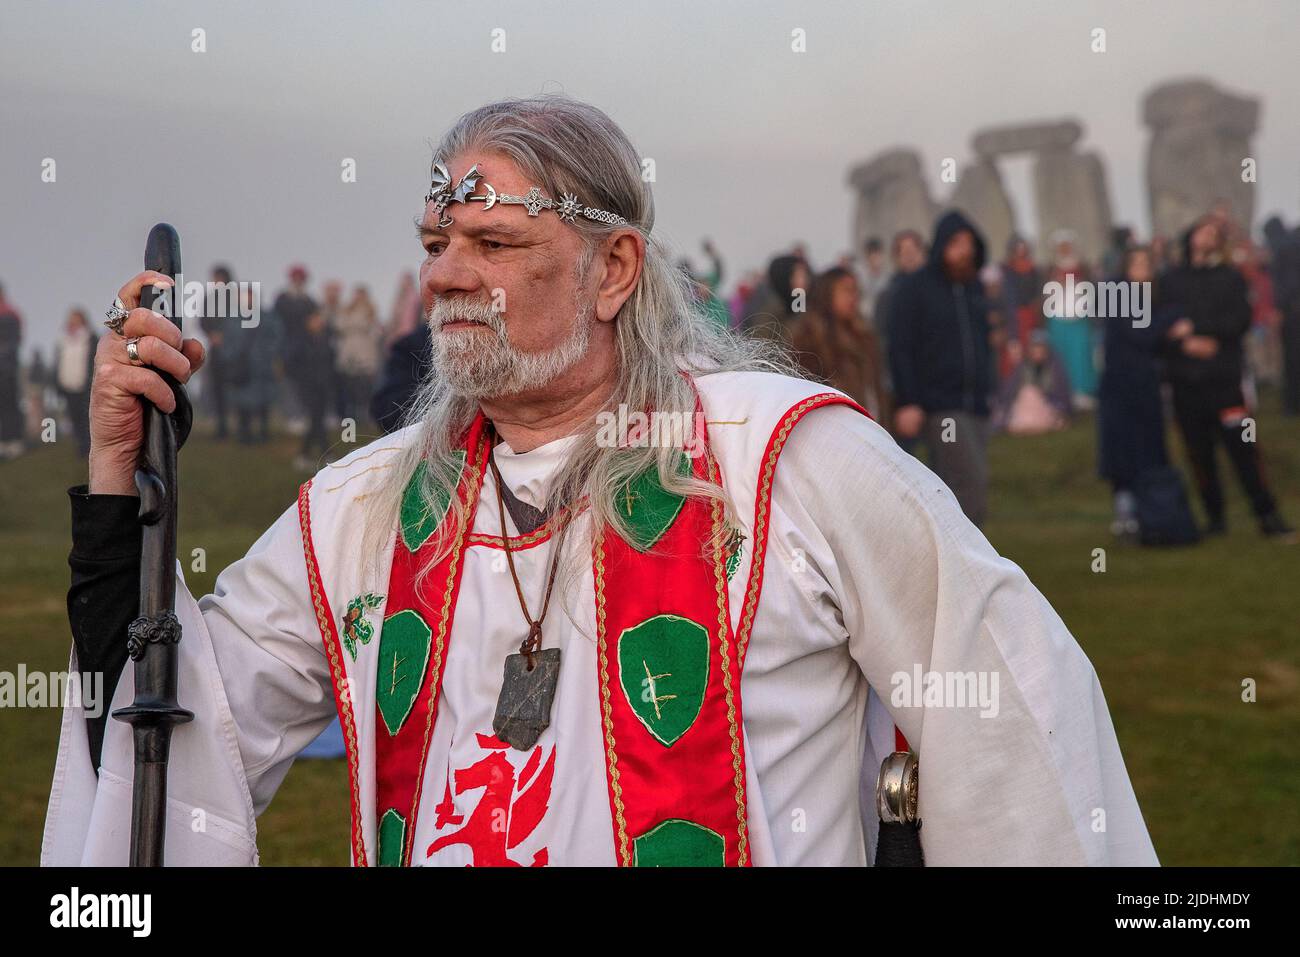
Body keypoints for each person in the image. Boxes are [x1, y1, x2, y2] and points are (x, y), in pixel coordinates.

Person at [47, 94, 1156, 867]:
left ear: (613, 266)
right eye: (435, 240)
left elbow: (1015, 729)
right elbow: (172, 739)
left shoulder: (789, 461)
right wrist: (113, 486)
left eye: (489, 241)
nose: (444, 275)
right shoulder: (362, 511)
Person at [1162, 217, 1294, 540]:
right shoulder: (1170, 280)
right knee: (1199, 455)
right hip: (1185, 380)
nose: (1209, 237)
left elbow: (1240, 318)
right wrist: (1183, 342)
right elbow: (1161, 321)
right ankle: (1215, 520)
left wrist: (1204, 335)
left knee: (1244, 449)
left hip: (1224, 379)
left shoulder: (1230, 278)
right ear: (1190, 236)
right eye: (1203, 230)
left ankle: (1267, 514)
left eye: (1215, 234)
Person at [887, 210, 994, 528]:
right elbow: (900, 347)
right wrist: (908, 400)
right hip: (941, 406)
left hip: (975, 404)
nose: (965, 250)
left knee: (966, 485)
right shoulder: (915, 289)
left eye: (969, 243)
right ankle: (966, 561)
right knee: (967, 485)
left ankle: (962, 560)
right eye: (956, 243)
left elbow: (983, 344)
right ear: (942, 246)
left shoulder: (974, 290)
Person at [1096, 246, 1180, 537]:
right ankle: (1129, 516)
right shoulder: (1120, 294)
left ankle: (1149, 514)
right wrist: (1171, 320)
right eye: (1137, 263)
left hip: (1143, 387)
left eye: (1147, 264)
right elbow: (1141, 335)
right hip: (1123, 388)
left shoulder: (1143, 298)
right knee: (1126, 453)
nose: (1143, 269)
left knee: (1145, 452)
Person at [789, 267, 888, 422]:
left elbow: (876, 387)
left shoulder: (864, 334)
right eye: (846, 291)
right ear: (827, 294)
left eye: (855, 291)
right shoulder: (808, 338)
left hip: (871, 422)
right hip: (837, 425)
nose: (853, 297)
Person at [1044, 231, 1098, 408]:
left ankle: (1083, 391)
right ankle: (1064, 392)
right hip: (1058, 317)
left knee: (1081, 355)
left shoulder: (1083, 267)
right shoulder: (1050, 269)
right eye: (1062, 247)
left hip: (1079, 317)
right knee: (1062, 355)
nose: (1065, 250)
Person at [992, 331, 1071, 436]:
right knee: (1028, 392)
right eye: (1035, 348)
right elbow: (1010, 390)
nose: (1038, 352)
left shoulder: (1054, 369)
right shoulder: (1023, 367)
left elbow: (1061, 394)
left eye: (1041, 348)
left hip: (1046, 406)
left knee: (1031, 393)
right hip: (1024, 405)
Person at [333, 284, 383, 426]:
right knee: (349, 384)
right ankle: (350, 414)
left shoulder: (371, 311)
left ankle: (365, 413)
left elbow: (376, 331)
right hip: (349, 351)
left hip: (365, 351)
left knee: (365, 385)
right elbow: (339, 326)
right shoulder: (346, 310)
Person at [53, 308, 98, 456]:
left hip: (85, 386)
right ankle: (81, 446)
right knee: (74, 417)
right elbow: (59, 363)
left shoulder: (90, 338)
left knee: (87, 416)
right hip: (68, 386)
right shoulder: (63, 340)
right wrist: (58, 384)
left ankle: (90, 446)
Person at [742, 253, 808, 349]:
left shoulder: (797, 302)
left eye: (805, 276)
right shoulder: (769, 312)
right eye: (798, 276)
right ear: (784, 277)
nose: (804, 281)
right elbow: (761, 351)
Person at [202, 264, 236, 439]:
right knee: (218, 391)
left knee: (236, 391)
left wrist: (226, 336)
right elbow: (203, 321)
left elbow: (240, 323)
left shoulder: (236, 299)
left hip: (235, 354)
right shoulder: (210, 299)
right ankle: (222, 428)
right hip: (217, 353)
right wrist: (212, 335)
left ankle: (240, 427)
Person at [0, 282, 24, 459]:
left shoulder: (9, 315)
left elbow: (12, 345)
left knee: (8, 403)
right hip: (7, 367)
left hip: (6, 369)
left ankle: (13, 441)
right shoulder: (12, 314)